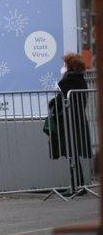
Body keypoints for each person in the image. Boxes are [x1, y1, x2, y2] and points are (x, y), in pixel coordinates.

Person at [45, 53, 92, 191]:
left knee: (71, 152)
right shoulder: (79, 79)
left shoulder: (70, 79)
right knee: (73, 152)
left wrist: (53, 102)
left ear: (70, 66)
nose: (63, 67)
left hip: (70, 120)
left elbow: (64, 99)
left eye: (65, 64)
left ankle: (75, 185)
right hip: (76, 119)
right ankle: (79, 184)